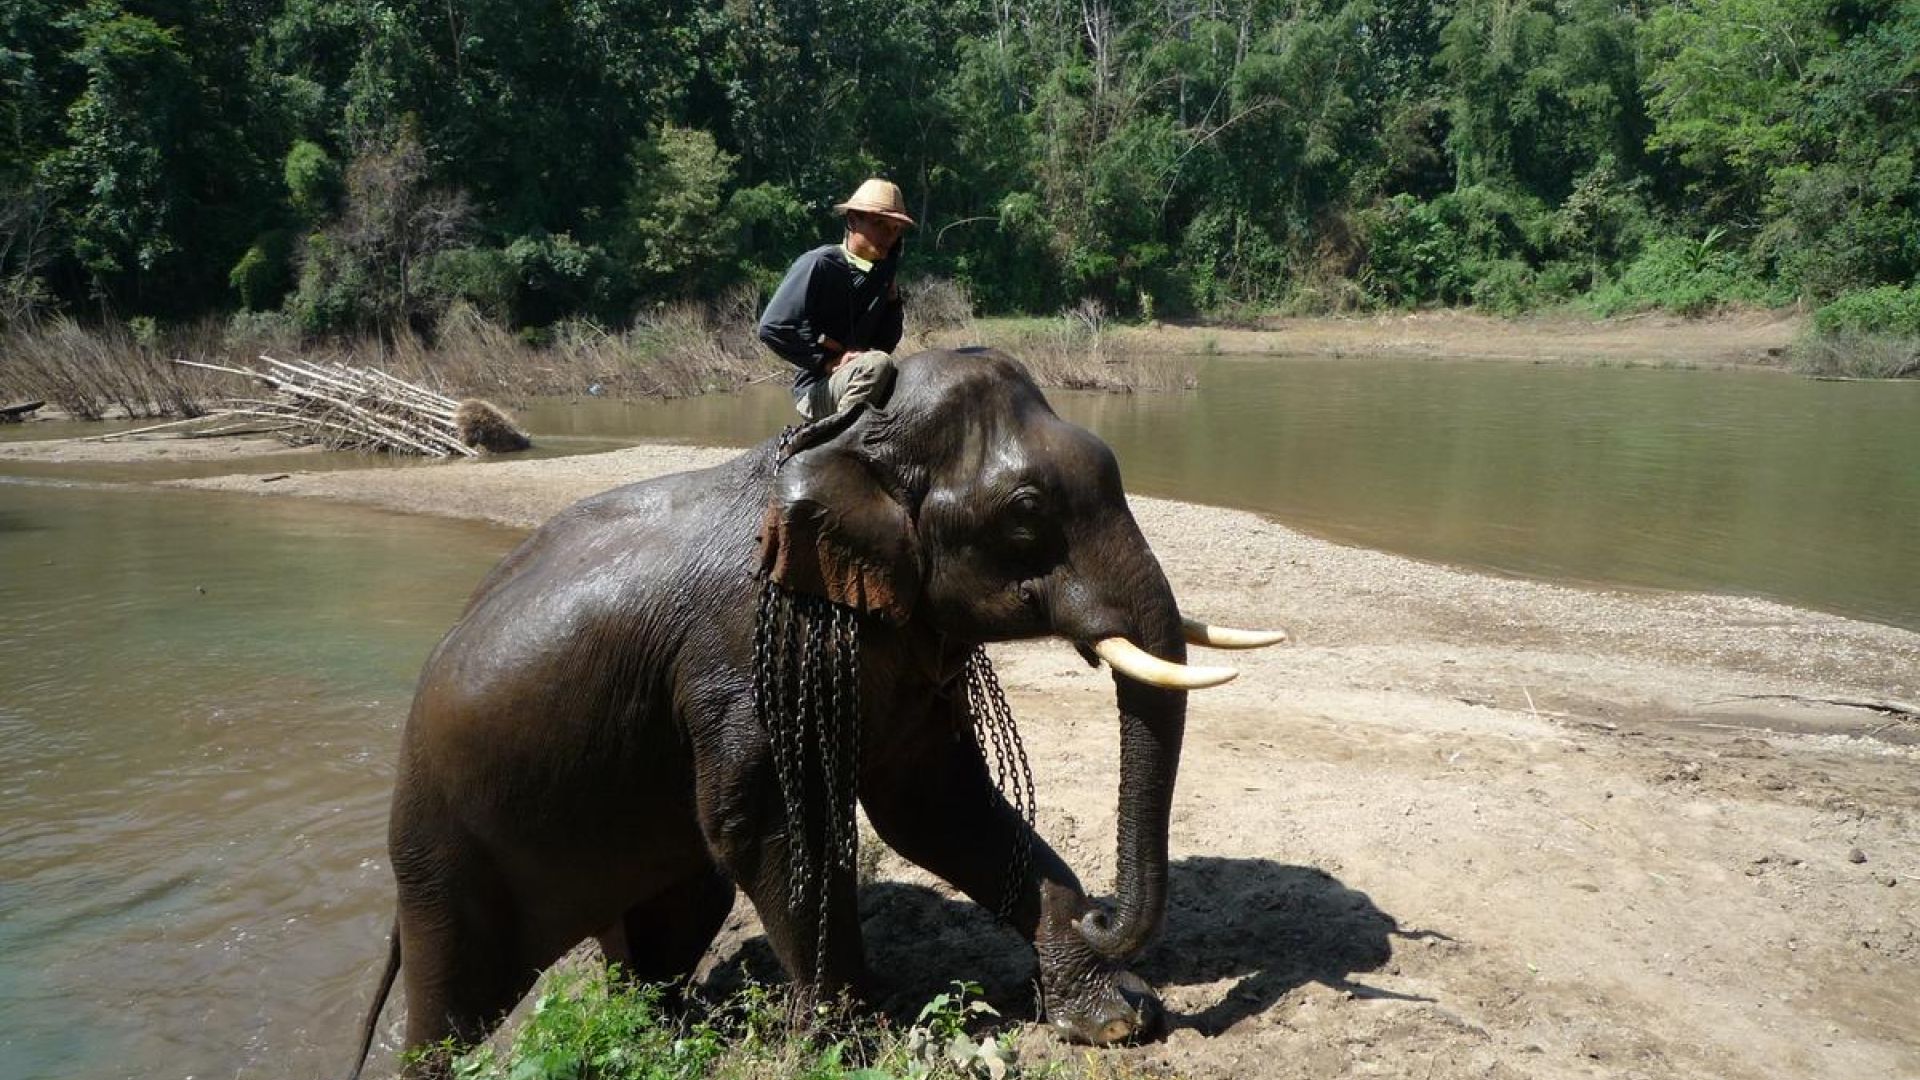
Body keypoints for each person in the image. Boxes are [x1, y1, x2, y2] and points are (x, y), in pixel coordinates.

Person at [757, 178, 914, 420]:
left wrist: (892, 300)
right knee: (876, 364)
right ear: (853, 220)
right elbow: (773, 327)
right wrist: (826, 362)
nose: (888, 235)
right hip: (816, 389)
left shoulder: (880, 274)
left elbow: (886, 342)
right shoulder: (819, 263)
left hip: (856, 375)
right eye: (880, 224)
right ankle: (843, 439)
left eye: (895, 229)